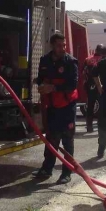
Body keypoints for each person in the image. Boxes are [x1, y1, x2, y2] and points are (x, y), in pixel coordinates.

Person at [32, 33, 79, 184]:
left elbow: (72, 85)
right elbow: (40, 78)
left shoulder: (70, 62)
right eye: (59, 45)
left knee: (67, 140)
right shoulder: (44, 60)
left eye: (64, 45)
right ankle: (47, 169)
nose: (63, 48)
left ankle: (67, 172)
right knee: (51, 139)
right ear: (52, 45)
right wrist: (39, 85)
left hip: (67, 108)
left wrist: (52, 87)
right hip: (51, 107)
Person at [83, 44, 106, 133]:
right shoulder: (104, 60)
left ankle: (89, 126)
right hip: (101, 85)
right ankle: (102, 126)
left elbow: (83, 72)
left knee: (90, 106)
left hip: (90, 85)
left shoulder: (88, 59)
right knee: (102, 105)